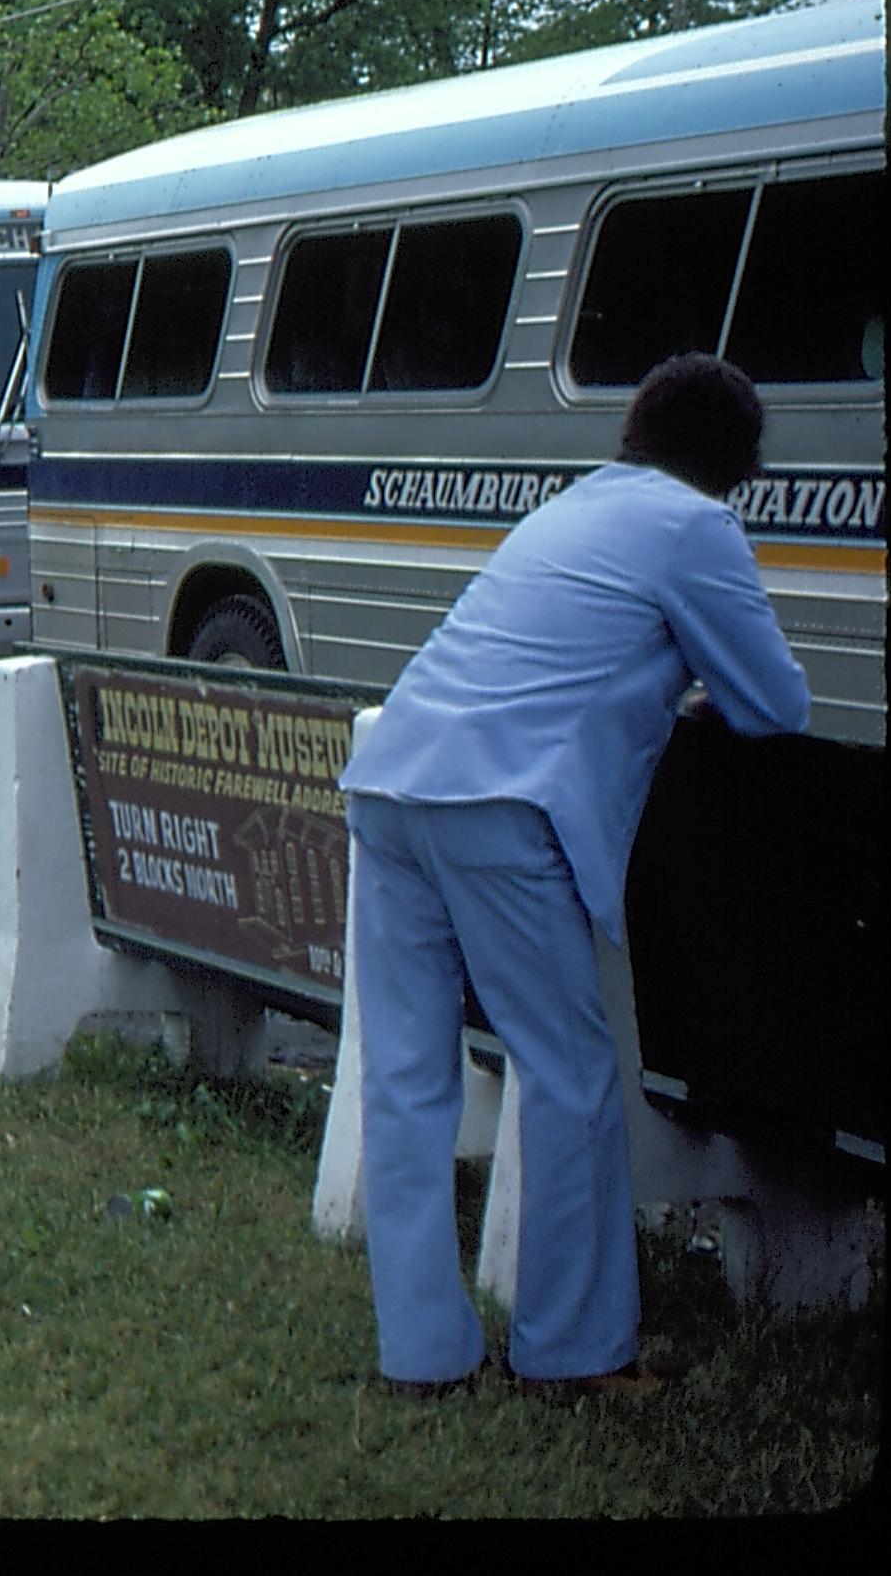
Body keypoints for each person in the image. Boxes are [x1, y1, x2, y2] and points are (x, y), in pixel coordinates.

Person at [338, 353, 810, 1403]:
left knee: (408, 1079)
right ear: (736, 466)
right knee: (570, 1075)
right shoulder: (697, 526)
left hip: (393, 779)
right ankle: (573, 1352)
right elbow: (777, 702)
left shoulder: (571, 507)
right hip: (502, 806)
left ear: (634, 435)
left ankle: (423, 1355)